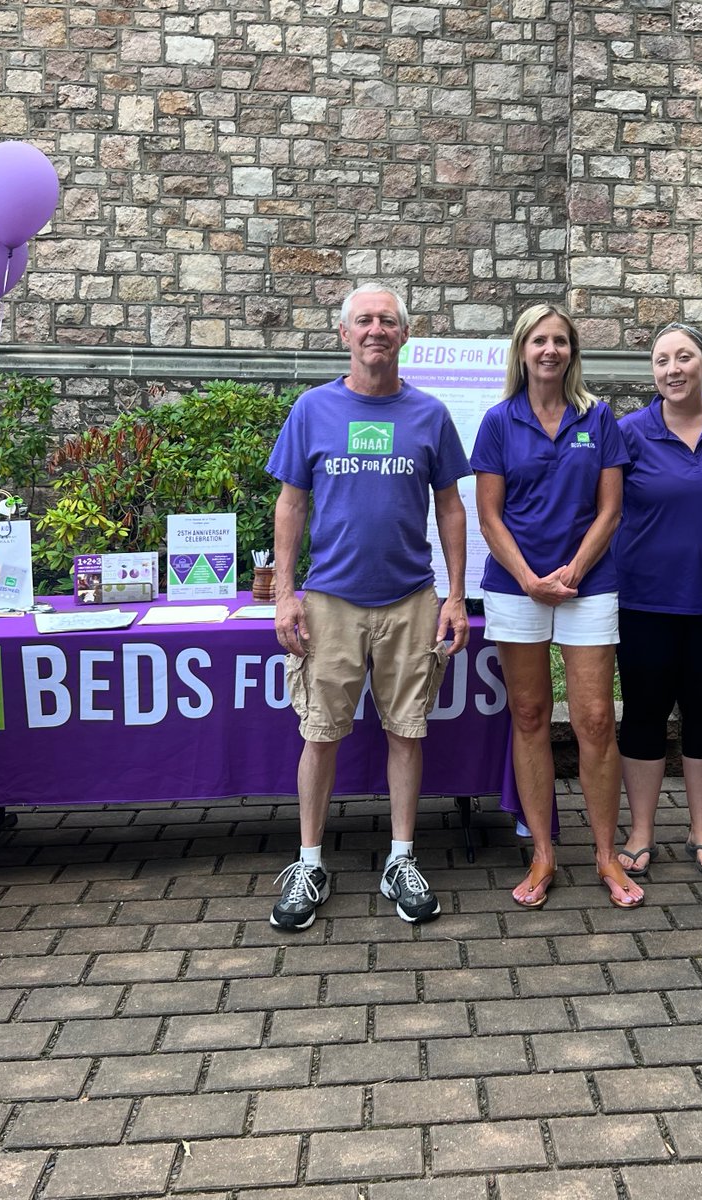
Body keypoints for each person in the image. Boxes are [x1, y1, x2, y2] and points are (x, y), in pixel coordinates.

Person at [266, 283, 471, 930]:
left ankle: (402, 858)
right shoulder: (312, 409)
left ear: (404, 335)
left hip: (411, 599)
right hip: (329, 601)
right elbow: (291, 503)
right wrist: (284, 593)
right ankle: (309, 862)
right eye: (364, 320)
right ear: (344, 334)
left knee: (407, 731)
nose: (376, 329)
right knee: (320, 733)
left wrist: (456, 596)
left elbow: (451, 507)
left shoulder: (431, 415)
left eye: (387, 320)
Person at [471, 303, 642, 909]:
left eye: (560, 341)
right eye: (539, 341)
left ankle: (604, 855)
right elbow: (489, 517)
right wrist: (530, 578)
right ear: (522, 351)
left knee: (595, 719)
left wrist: (572, 570)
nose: (550, 351)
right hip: (517, 585)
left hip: (588, 584)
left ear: (572, 352)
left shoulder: (599, 419)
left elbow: (611, 510)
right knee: (529, 715)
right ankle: (542, 852)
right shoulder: (498, 421)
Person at [611, 322, 702, 879]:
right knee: (643, 715)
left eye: (684, 357)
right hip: (643, 600)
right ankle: (641, 830)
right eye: (662, 360)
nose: (673, 369)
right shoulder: (626, 433)